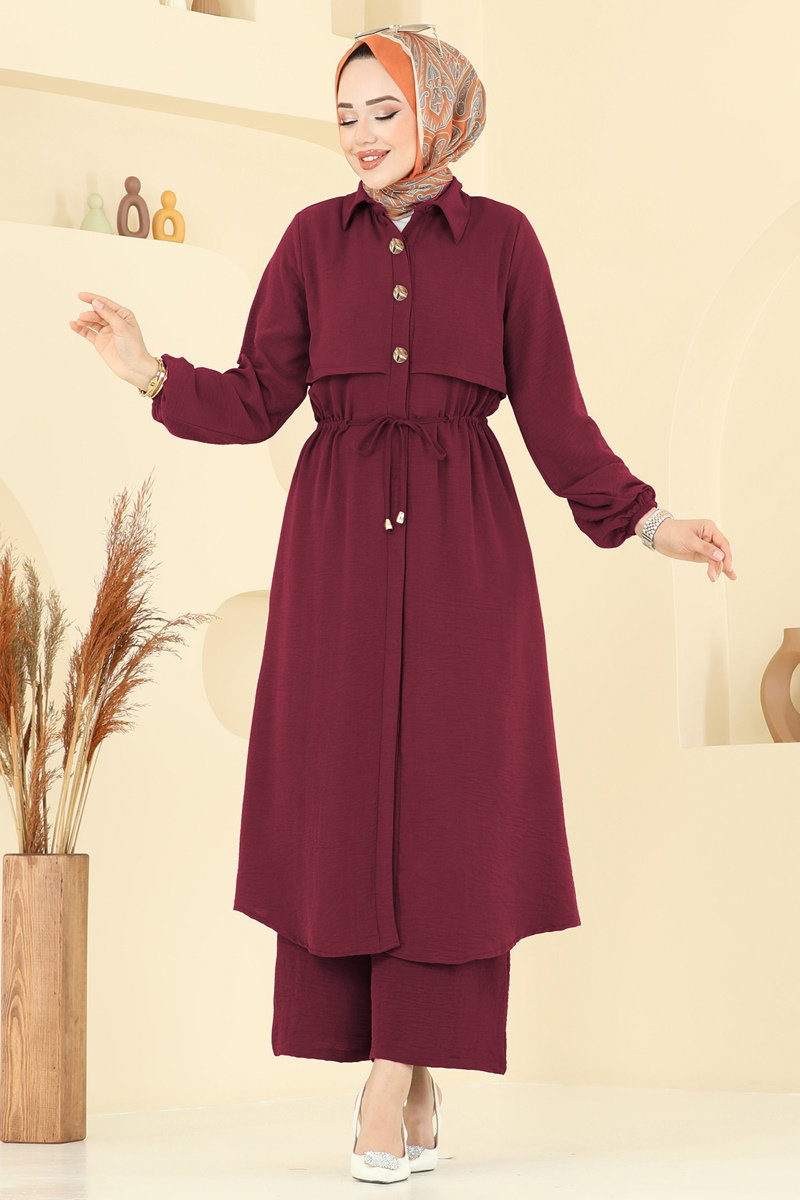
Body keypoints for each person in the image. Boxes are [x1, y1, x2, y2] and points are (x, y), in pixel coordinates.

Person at [69, 23, 735, 1185]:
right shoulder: (307, 241)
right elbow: (259, 397)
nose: (362, 135)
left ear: (439, 114)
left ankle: (389, 1084)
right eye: (346, 115)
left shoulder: (505, 242)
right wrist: (147, 371)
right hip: (334, 548)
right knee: (344, 798)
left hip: (466, 548)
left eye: (385, 111)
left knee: (450, 807)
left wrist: (645, 521)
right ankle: (403, 1068)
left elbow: (556, 417)